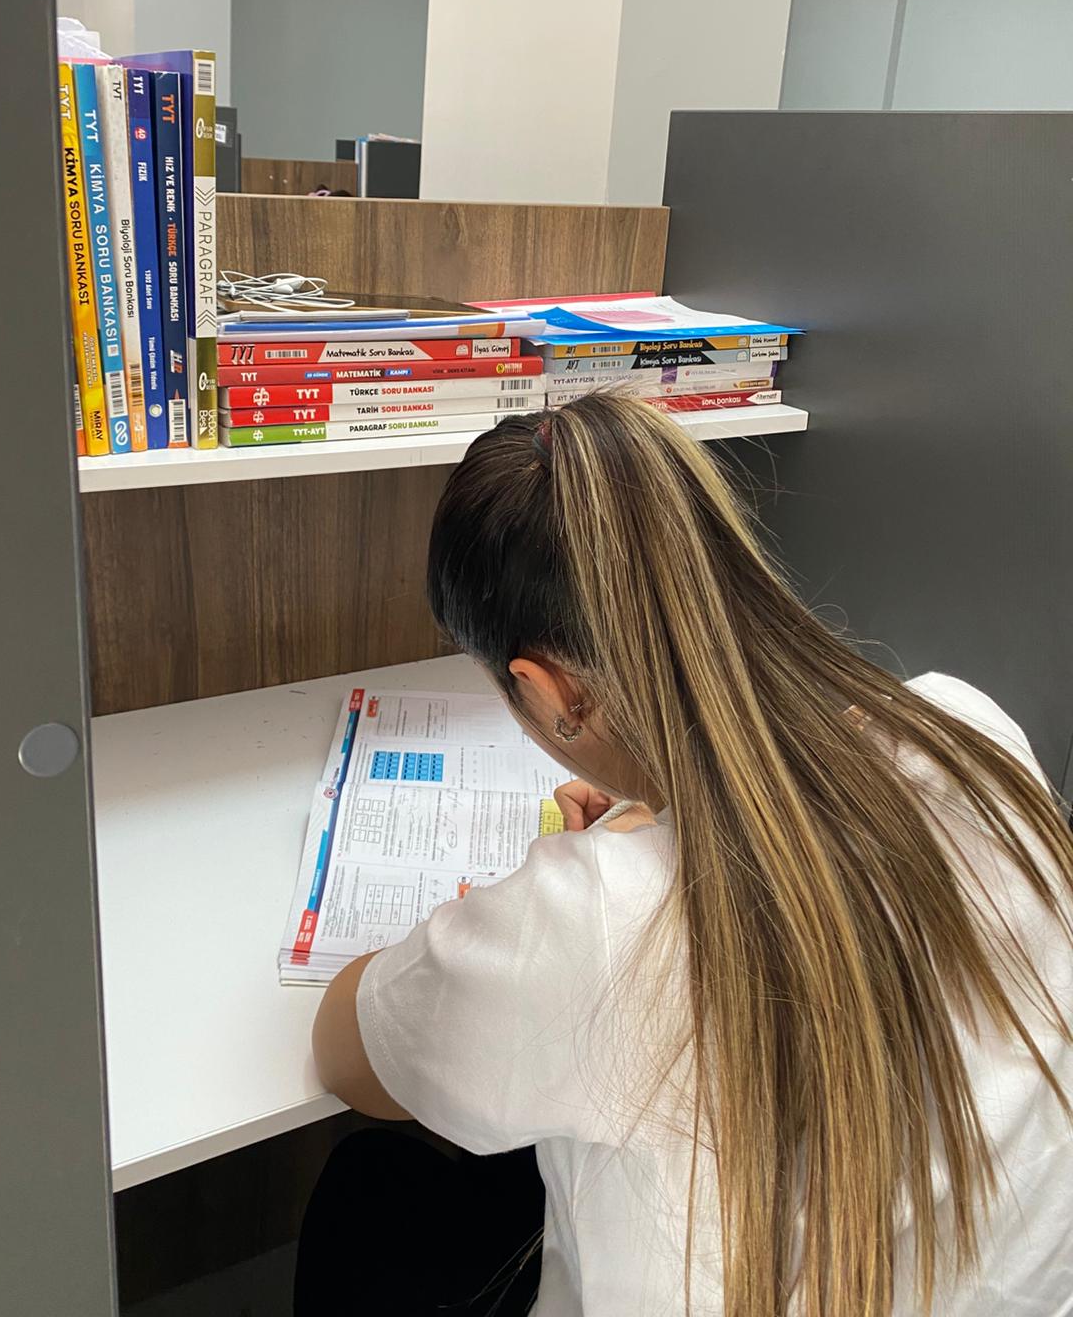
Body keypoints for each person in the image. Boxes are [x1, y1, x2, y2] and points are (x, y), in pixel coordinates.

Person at [305, 393, 1073, 1317]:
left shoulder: (596, 921)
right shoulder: (968, 731)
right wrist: (654, 819)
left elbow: (347, 1053)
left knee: (366, 1185)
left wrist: (611, 860)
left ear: (552, 693)